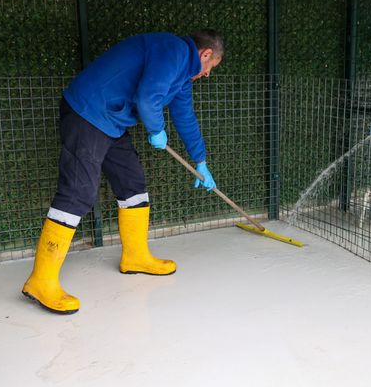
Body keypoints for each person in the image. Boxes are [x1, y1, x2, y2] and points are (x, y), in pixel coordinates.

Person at [22, 30, 224, 314]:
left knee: (132, 183)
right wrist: (156, 130)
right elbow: (147, 97)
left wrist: (200, 160)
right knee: (78, 192)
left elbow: (185, 116)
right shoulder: (174, 50)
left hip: (112, 121)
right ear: (205, 55)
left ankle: (135, 256)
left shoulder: (182, 77)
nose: (207, 75)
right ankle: (40, 281)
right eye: (210, 68)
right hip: (88, 112)